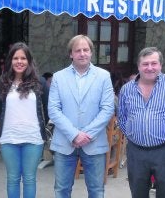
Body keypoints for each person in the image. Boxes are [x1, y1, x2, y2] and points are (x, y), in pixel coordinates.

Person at [48, 34, 115, 198]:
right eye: (78, 50)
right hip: (65, 142)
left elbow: (107, 109)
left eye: (86, 50)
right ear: (71, 54)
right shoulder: (58, 77)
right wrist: (74, 134)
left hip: (94, 142)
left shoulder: (103, 76)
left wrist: (87, 134)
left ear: (91, 53)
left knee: (96, 190)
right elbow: (53, 110)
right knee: (61, 189)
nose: (82, 53)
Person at [118, 47, 165, 198]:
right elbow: (123, 118)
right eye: (145, 64)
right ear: (138, 66)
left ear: (160, 65)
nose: (149, 68)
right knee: (138, 193)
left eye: (154, 63)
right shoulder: (126, 90)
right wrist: (135, 134)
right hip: (136, 152)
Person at [0, 42, 46, 198]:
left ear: (29, 61)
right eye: (16, 58)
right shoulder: (2, 84)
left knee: (29, 179)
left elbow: (47, 107)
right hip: (9, 139)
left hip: (33, 139)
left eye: (23, 58)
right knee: (13, 179)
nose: (19, 61)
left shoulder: (40, 83)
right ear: (10, 61)